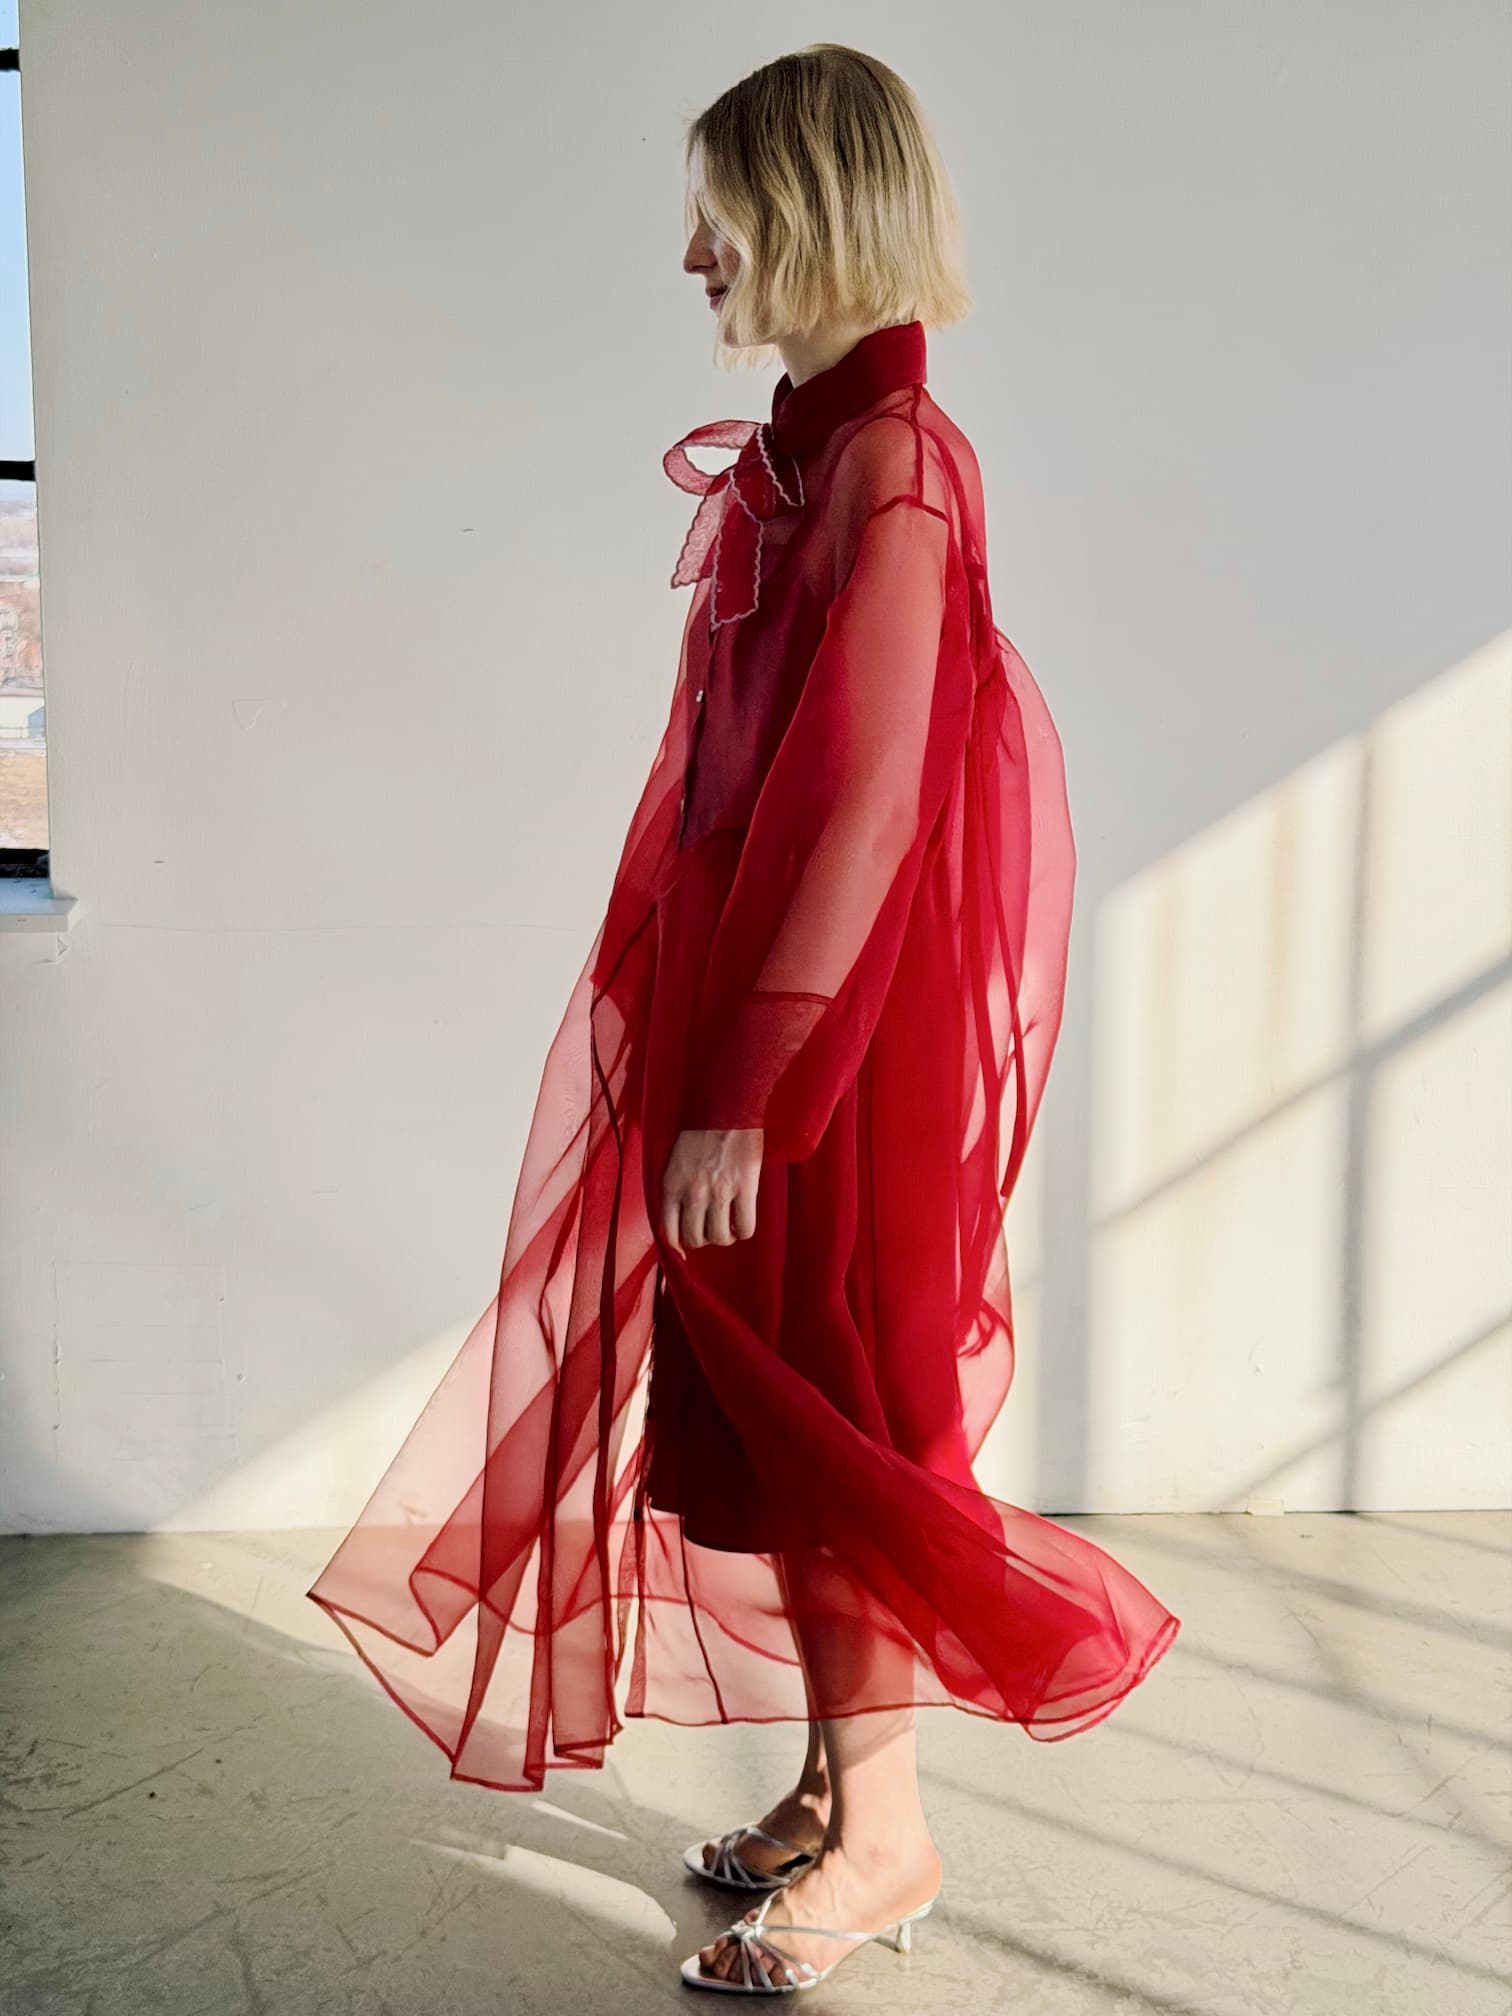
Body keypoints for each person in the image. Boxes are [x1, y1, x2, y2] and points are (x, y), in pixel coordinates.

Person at [307, 41, 1181, 1997]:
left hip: (838, 1055)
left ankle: (891, 1840)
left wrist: (754, 1085)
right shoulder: (819, 451)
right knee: (781, 1413)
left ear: (809, 206)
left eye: (722, 208)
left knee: (841, 1404)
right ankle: (833, 1783)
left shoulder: (894, 470)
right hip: (778, 1022)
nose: (694, 251)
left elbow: (867, 805)